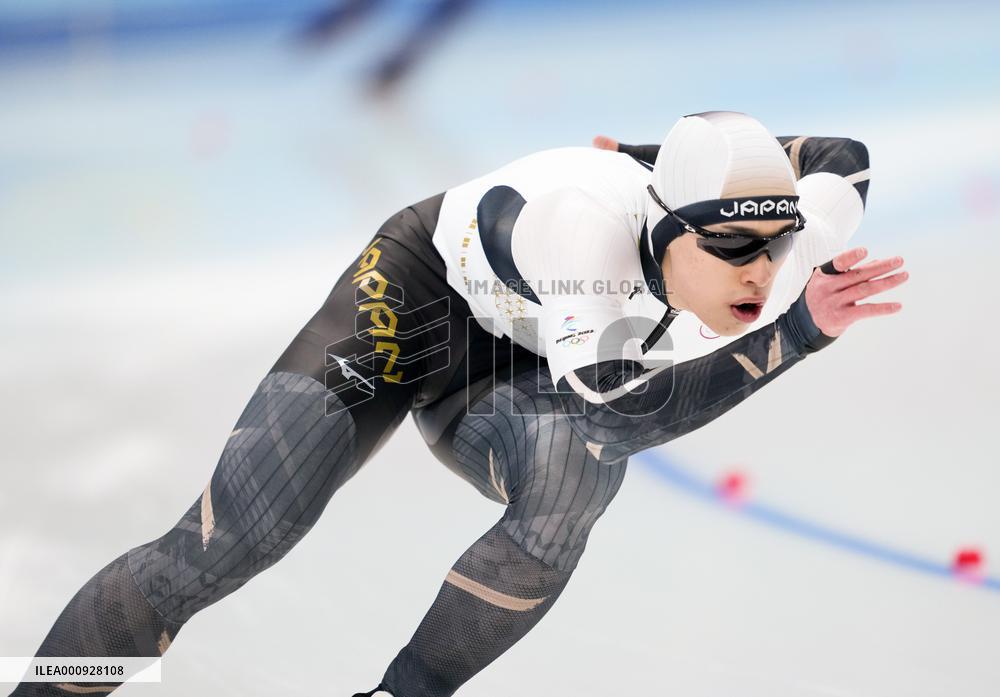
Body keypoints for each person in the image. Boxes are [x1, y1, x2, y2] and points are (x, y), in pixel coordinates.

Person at [10, 111, 906, 697]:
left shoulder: (787, 237)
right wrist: (795, 335)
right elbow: (625, 410)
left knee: (572, 481)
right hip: (418, 304)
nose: (760, 269)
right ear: (666, 229)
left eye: (778, 244)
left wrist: (653, 155)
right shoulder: (583, 234)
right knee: (224, 542)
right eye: (731, 244)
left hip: (512, 368)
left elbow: (843, 158)